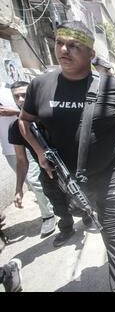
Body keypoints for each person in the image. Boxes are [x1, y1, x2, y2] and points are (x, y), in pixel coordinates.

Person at [18, 20, 115, 292]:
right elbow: (24, 122)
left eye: (73, 45)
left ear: (90, 53)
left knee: (111, 233)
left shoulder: (113, 87)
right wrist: (39, 152)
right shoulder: (40, 85)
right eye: (59, 43)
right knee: (104, 220)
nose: (64, 49)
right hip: (70, 178)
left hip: (110, 173)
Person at [7, 81, 57, 237]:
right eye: (17, 97)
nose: (21, 100)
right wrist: (19, 189)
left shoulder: (50, 113)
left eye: (24, 95)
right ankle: (64, 225)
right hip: (48, 171)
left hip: (70, 164)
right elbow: (21, 160)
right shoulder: (16, 127)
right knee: (57, 204)